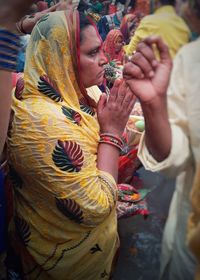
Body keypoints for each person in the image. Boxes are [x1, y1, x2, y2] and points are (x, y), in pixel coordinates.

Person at [6, 10, 137, 279]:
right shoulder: (40, 123)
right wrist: (111, 132)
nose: (104, 60)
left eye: (102, 49)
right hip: (63, 260)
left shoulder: (75, 88)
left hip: (95, 245)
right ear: (60, 57)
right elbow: (97, 206)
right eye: (92, 53)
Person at [123, 0, 200, 278]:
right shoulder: (191, 55)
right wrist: (154, 104)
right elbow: (178, 155)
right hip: (185, 246)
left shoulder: (151, 24)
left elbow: (130, 53)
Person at [125, 0, 191, 58]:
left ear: (155, 2)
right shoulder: (184, 26)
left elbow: (129, 52)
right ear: (175, 3)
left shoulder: (149, 21)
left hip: (155, 70)